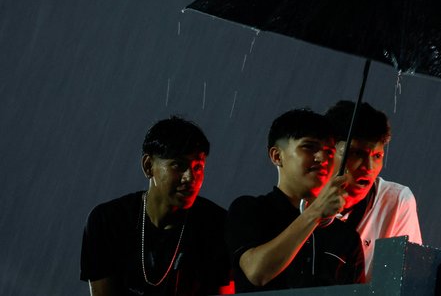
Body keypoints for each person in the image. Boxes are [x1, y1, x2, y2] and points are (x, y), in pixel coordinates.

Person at [80, 116, 232, 295]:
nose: (190, 178)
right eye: (178, 165)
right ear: (148, 166)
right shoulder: (108, 220)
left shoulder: (217, 225)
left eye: (198, 167)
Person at [225, 108, 365, 292]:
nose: (322, 157)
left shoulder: (347, 237)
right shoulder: (249, 210)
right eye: (309, 147)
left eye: (329, 151)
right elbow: (257, 272)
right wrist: (315, 213)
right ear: (277, 156)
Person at [325, 100, 422, 281]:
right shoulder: (303, 198)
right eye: (357, 153)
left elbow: (406, 281)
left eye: (377, 156)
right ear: (328, 152)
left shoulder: (396, 201)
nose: (369, 167)